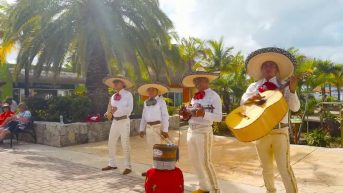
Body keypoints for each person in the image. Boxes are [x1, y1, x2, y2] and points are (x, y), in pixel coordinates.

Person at [241, 47, 300, 193]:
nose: (268, 68)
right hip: (261, 132)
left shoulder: (284, 85)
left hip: (280, 131)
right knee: (266, 168)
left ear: (277, 70)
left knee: (284, 168)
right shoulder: (254, 86)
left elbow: (295, 107)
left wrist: (292, 91)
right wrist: (262, 95)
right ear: (261, 70)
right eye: (265, 65)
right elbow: (244, 105)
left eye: (271, 65)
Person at [181, 67, 222, 193]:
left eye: (200, 80)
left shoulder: (214, 96)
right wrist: (186, 114)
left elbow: (219, 117)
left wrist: (204, 114)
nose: (197, 83)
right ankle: (204, 187)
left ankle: (215, 189)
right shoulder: (195, 97)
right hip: (191, 130)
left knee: (205, 162)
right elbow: (192, 113)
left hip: (203, 131)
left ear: (207, 81)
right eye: (195, 81)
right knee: (194, 161)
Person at [101, 76, 134, 175]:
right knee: (111, 142)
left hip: (124, 121)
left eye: (117, 82)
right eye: (114, 83)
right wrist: (108, 113)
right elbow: (110, 109)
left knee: (125, 144)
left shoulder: (128, 95)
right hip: (115, 121)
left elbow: (130, 109)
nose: (115, 84)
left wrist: (117, 110)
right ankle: (112, 164)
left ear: (123, 84)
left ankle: (128, 166)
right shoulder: (112, 97)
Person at [137, 82, 170, 176]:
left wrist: (165, 130)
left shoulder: (161, 102)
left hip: (157, 128)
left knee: (158, 150)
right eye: (149, 90)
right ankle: (154, 168)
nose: (150, 91)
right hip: (148, 128)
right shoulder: (145, 102)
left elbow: (165, 116)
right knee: (151, 149)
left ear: (157, 91)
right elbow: (143, 116)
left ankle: (160, 170)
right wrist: (141, 129)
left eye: (153, 89)